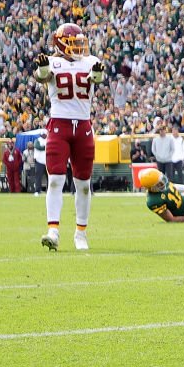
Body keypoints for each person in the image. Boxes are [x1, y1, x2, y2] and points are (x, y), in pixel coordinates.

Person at [34, 23, 106, 251]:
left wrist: (97, 75)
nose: (78, 47)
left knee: (83, 185)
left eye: (79, 42)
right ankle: (53, 231)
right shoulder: (53, 62)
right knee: (55, 179)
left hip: (83, 126)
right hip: (59, 125)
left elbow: (97, 78)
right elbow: (41, 76)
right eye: (73, 42)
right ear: (60, 42)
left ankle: (81, 233)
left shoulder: (91, 61)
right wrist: (43, 71)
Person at [33, 130, 47, 194]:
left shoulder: (48, 139)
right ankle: (37, 190)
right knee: (38, 177)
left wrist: (45, 147)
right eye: (43, 134)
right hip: (39, 161)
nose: (44, 135)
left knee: (49, 177)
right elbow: (37, 146)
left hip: (47, 161)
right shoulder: (38, 140)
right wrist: (45, 147)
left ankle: (49, 190)